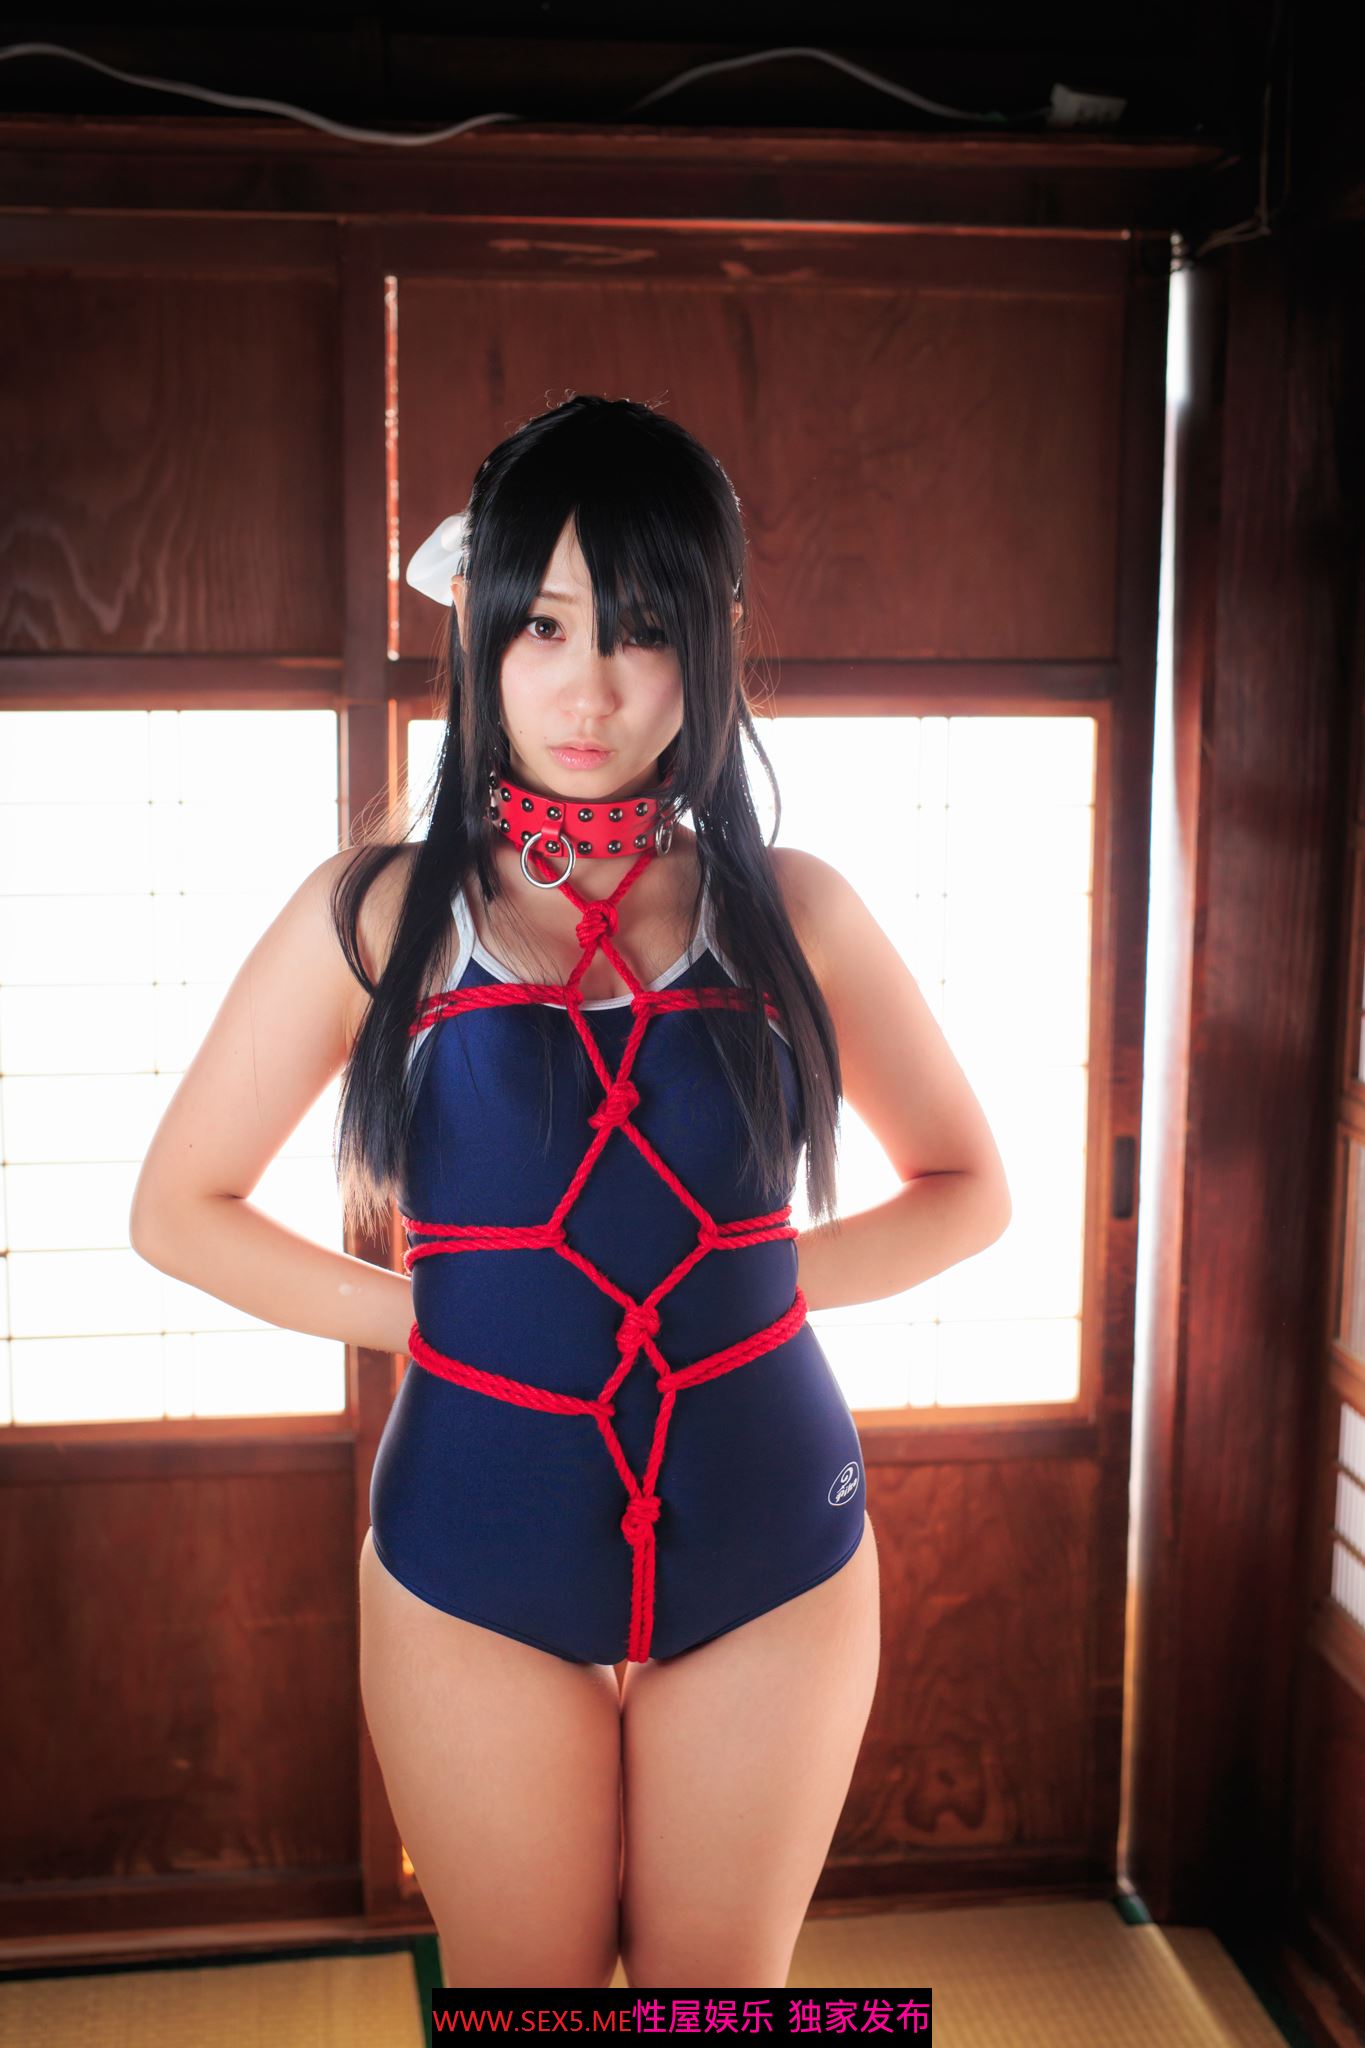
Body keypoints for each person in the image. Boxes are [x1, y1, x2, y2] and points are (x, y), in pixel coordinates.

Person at [129, 394, 1011, 1991]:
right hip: (475, 1541)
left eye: (640, 630)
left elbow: (969, 1190)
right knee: (521, 2005)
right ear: (477, 631)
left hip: (768, 1536)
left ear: (708, 644)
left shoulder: (794, 911)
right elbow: (177, 1208)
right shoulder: (380, 912)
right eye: (540, 625)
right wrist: (440, 1319)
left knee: (717, 2012)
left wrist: (750, 1288)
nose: (586, 687)